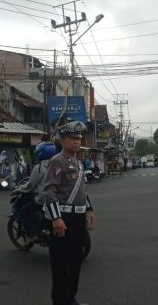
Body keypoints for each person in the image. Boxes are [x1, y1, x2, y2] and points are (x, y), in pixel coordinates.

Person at [42, 121, 95, 305]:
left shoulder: (78, 162)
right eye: (72, 138)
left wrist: (89, 209)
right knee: (62, 265)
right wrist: (56, 218)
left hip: (78, 218)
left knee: (75, 263)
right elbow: (50, 191)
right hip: (64, 218)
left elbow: (82, 189)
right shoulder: (58, 160)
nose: (76, 142)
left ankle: (71, 300)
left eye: (79, 139)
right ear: (63, 140)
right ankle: (61, 302)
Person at [13, 142, 57, 242]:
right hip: (60, 198)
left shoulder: (40, 167)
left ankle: (33, 234)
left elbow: (30, 185)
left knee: (23, 211)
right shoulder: (59, 164)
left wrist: (19, 189)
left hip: (44, 200)